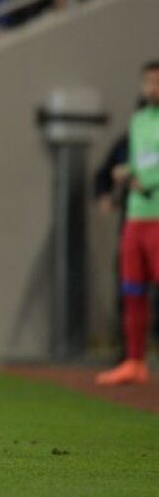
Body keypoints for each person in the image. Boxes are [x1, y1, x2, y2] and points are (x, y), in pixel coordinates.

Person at [96, 61, 159, 385]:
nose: (151, 87)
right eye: (147, 81)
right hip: (136, 217)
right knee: (132, 290)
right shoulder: (138, 121)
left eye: (156, 81)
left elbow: (147, 169)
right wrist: (125, 172)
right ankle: (134, 362)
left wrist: (139, 175)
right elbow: (137, 161)